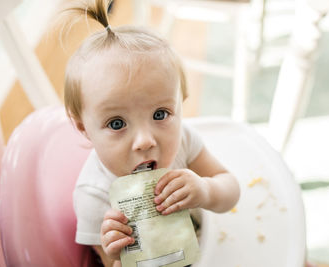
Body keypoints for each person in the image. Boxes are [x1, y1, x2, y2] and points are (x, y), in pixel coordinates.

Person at [61, 0, 240, 266]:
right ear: (84, 129)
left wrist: (205, 190)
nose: (145, 141)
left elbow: (231, 188)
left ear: (182, 103)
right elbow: (110, 263)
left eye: (160, 114)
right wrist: (115, 255)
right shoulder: (94, 195)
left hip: (212, 243)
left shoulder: (183, 141)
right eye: (117, 123)